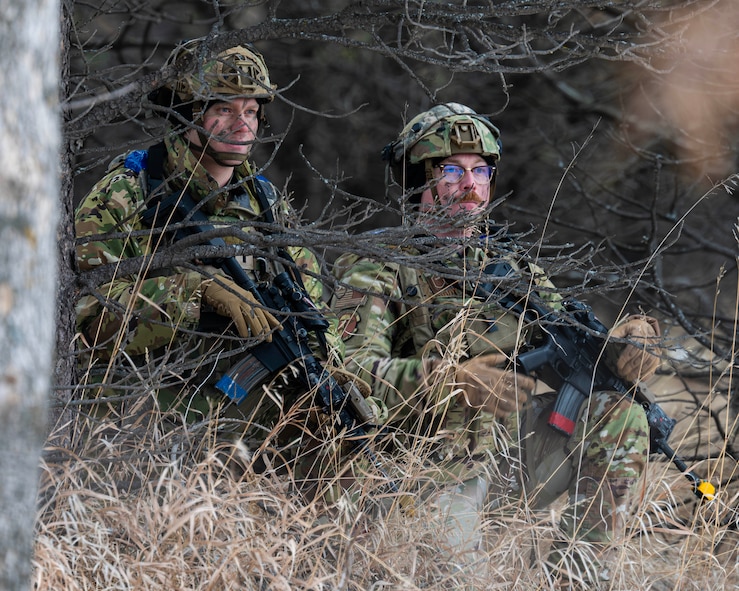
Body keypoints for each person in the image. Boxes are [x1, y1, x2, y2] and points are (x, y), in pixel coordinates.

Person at [330, 103, 662, 583]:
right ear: (419, 180)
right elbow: (349, 373)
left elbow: (572, 342)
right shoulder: (379, 264)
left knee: (620, 413)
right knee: (462, 578)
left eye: (480, 170)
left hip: (505, 452)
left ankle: (575, 576)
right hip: (417, 465)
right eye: (451, 170)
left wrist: (632, 344)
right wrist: (448, 380)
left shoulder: (512, 270)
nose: (470, 184)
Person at [74, 37, 366, 483]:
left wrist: (332, 362)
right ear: (186, 114)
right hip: (146, 433)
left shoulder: (267, 204)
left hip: (251, 436)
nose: (241, 125)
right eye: (224, 110)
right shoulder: (128, 193)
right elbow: (87, 320)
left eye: (250, 111)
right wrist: (196, 293)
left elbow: (309, 304)